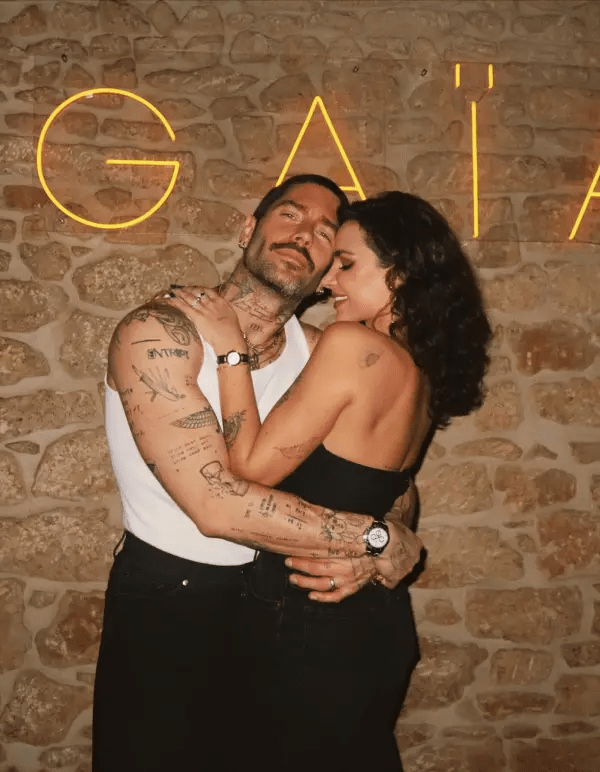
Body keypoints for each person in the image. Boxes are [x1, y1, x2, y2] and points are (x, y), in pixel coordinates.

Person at [93, 175, 424, 772]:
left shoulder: (328, 349)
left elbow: (390, 480)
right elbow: (217, 505)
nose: (305, 235)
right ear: (249, 227)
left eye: (325, 233)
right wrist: (373, 539)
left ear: (330, 267)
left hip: (281, 614)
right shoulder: (158, 334)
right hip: (173, 601)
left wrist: (386, 532)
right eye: (291, 216)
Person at [164, 191, 492, 771]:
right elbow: (389, 495)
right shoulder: (416, 369)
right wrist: (383, 542)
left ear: (403, 270)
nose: (326, 282)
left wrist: (230, 349)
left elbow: (247, 472)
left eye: (346, 264)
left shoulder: (355, 347)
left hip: (311, 626)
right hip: (365, 623)